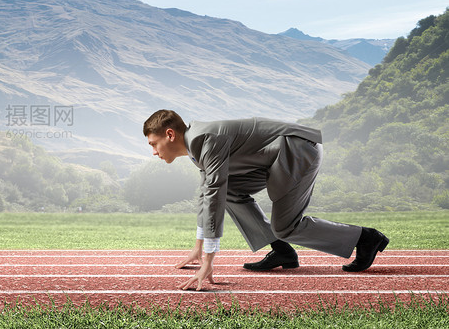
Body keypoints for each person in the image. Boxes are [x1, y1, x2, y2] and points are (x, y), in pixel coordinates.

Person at [142, 109, 389, 291]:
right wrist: (198, 247)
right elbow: (208, 193)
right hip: (271, 159)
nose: (154, 152)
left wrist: (208, 259)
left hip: (297, 150)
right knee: (227, 191)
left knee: (286, 226)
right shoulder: (196, 148)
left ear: (170, 134)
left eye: (154, 144)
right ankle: (282, 251)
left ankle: (364, 238)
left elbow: (214, 192)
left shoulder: (204, 139)